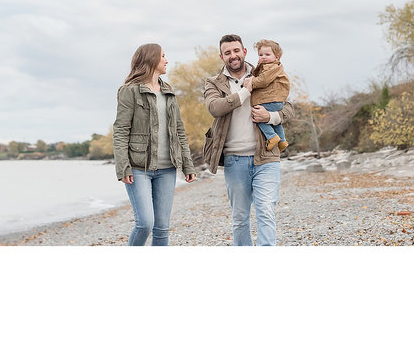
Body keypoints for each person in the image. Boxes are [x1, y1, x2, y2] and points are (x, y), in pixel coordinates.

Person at [111, 42, 196, 246]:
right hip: (139, 168)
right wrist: (123, 166)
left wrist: (187, 164)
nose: (167, 60)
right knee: (145, 224)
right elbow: (121, 130)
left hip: (167, 169)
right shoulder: (129, 91)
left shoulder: (169, 91)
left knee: (162, 228)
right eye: (163, 56)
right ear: (151, 59)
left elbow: (179, 131)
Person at [202, 33, 284, 245]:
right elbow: (215, 108)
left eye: (236, 50)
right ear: (222, 57)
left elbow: (286, 104)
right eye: (227, 53)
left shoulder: (265, 71)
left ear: (244, 51)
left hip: (266, 157)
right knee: (240, 219)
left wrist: (271, 117)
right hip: (234, 160)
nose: (233, 55)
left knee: (265, 210)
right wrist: (244, 93)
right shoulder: (214, 83)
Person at [248, 38, 292, 152]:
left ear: (277, 57)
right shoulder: (273, 67)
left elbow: (263, 81)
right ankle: (282, 141)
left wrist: (250, 82)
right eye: (260, 54)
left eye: (267, 54)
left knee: (257, 117)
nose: (263, 57)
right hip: (276, 101)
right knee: (276, 123)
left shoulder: (271, 67)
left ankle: (272, 137)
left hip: (270, 100)